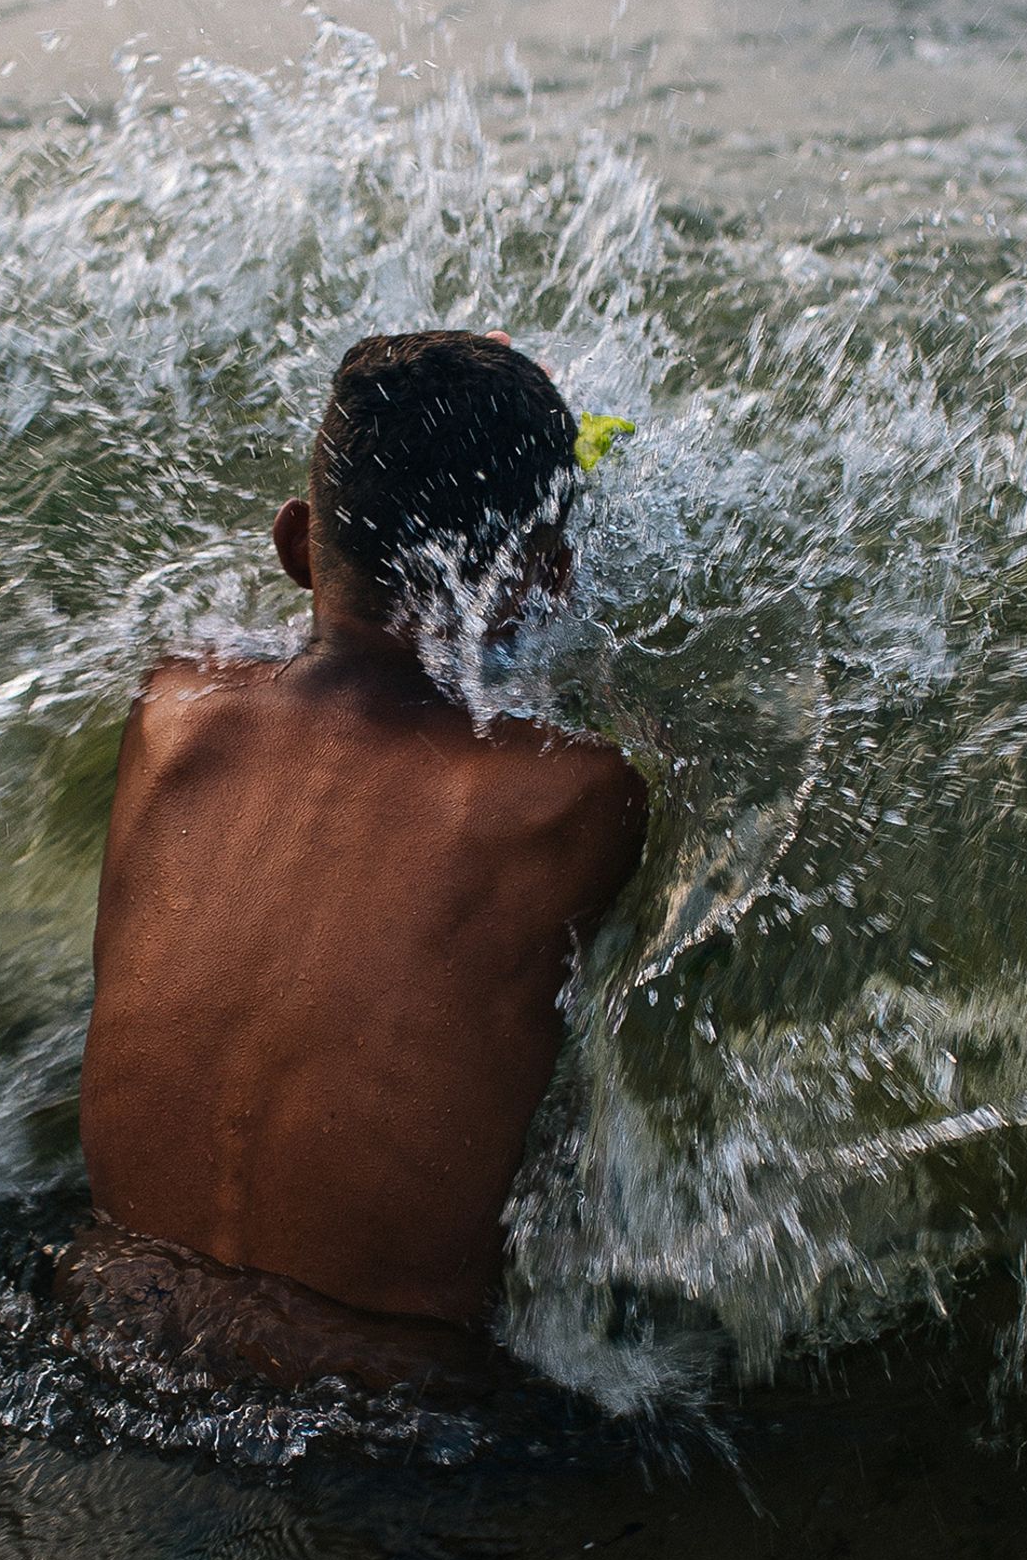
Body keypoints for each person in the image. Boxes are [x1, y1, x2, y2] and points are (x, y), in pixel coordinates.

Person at [63, 330, 647, 1393]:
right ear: (548, 580)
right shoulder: (571, 797)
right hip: (379, 1405)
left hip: (105, 1333)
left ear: (296, 543)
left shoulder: (173, 716)